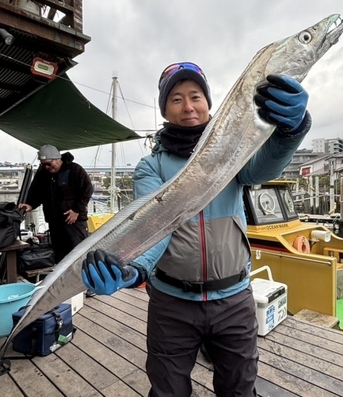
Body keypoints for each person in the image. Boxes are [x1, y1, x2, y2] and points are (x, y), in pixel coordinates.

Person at [81, 62, 311, 396]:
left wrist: (292, 131)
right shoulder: (151, 166)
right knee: (168, 390)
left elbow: (263, 167)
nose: (188, 106)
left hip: (233, 300)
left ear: (208, 103)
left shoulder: (233, 152)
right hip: (171, 305)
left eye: (195, 96)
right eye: (175, 99)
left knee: (239, 389)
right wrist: (134, 271)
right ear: (165, 109)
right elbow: (155, 227)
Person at [18, 144, 95, 297]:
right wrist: (30, 204)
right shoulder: (43, 174)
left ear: (58, 159)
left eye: (49, 163)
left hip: (74, 221)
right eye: (43, 164)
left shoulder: (75, 170)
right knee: (60, 255)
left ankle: (90, 284)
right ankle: (66, 283)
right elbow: (37, 192)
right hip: (55, 221)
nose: (47, 167)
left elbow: (87, 189)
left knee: (80, 252)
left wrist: (76, 210)